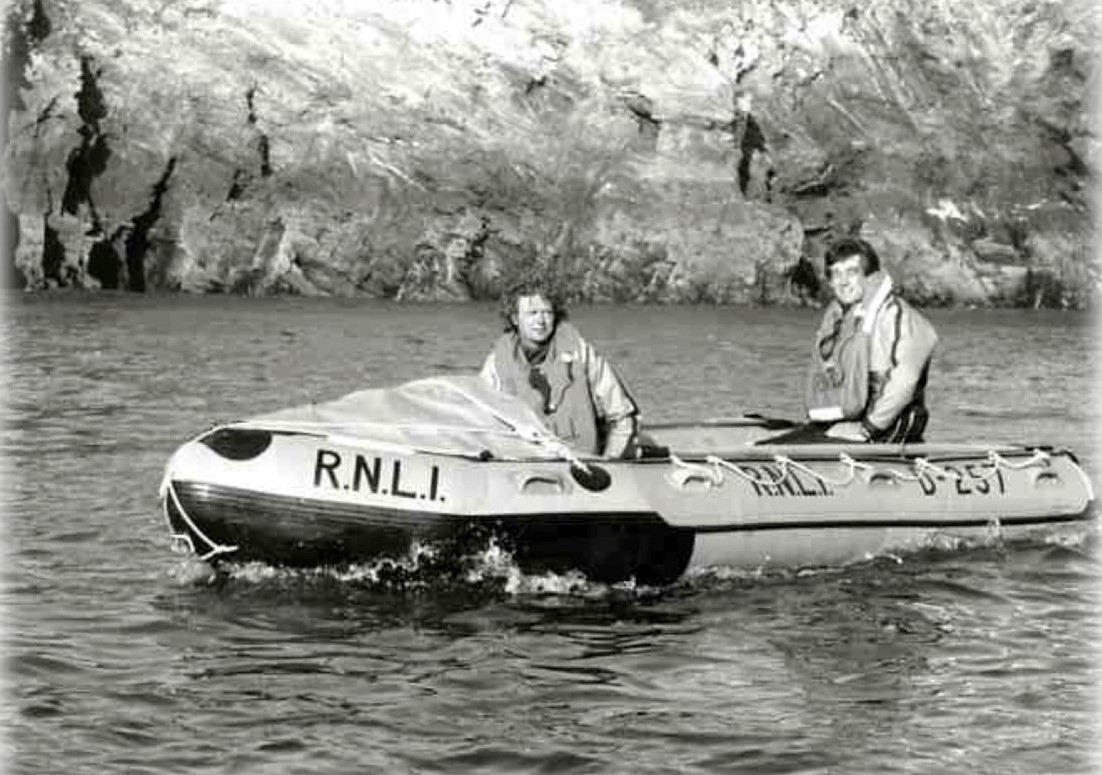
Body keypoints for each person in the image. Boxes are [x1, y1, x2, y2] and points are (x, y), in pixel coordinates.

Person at [788, 236, 938, 443]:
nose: (843, 281)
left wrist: (868, 429)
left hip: (888, 427)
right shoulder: (839, 320)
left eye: (852, 272)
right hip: (847, 421)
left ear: (869, 277)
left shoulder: (897, 316)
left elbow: (906, 380)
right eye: (836, 274)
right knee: (780, 444)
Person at [480, 278, 639, 458]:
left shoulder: (581, 352)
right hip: (520, 465)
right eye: (532, 313)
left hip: (582, 464)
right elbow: (480, 420)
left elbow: (622, 416)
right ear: (515, 318)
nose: (540, 321)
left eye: (547, 312)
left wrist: (610, 462)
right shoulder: (496, 362)